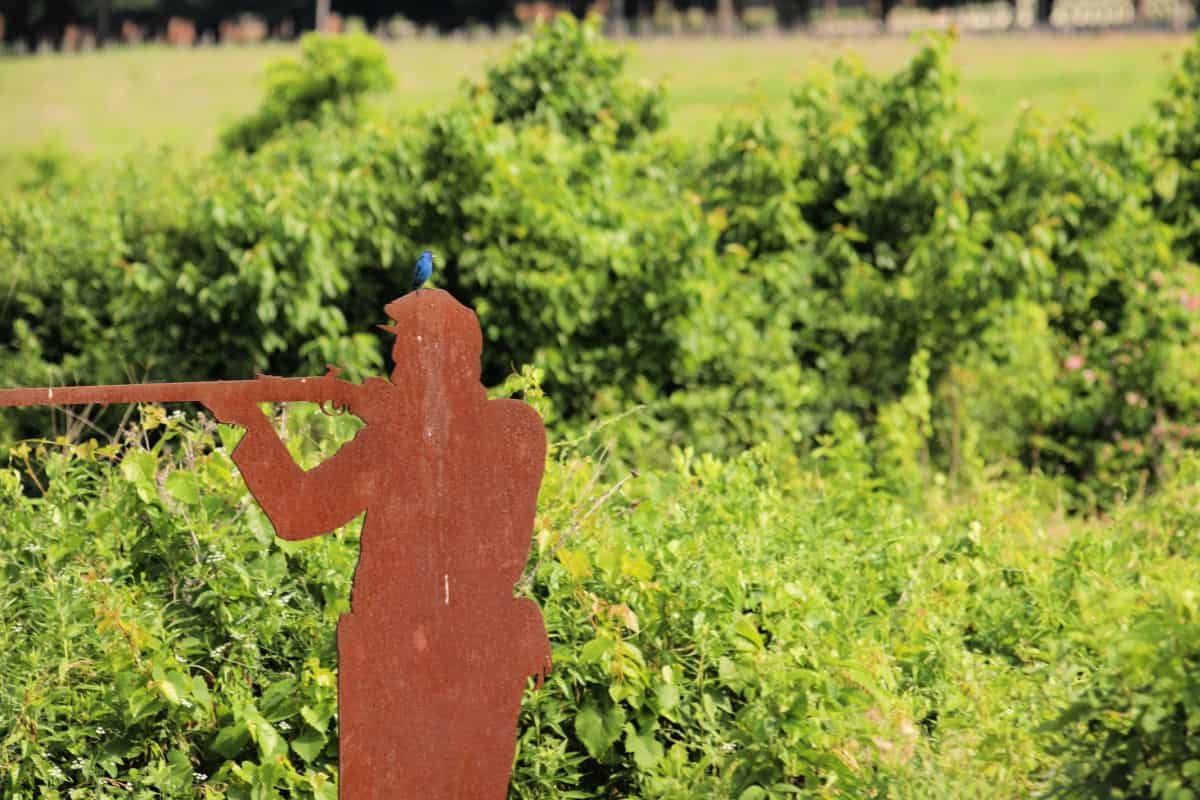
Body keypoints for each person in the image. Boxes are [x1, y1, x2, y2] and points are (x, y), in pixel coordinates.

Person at [204, 289, 551, 799]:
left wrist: (387, 418)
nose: (397, 367)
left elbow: (478, 517)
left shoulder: (511, 428)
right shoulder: (393, 438)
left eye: (411, 354)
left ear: (446, 360)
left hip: (453, 659)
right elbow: (299, 514)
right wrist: (253, 425)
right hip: (395, 659)